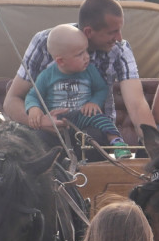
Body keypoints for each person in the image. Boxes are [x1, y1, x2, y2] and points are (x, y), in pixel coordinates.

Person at [3, 0, 156, 144]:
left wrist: (155, 147)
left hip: (95, 133)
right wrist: (40, 121)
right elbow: (11, 100)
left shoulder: (120, 49)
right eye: (112, 32)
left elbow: (136, 104)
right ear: (89, 32)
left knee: (95, 136)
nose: (120, 38)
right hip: (46, 133)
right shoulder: (44, 42)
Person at [25, 24, 131, 158]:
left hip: (83, 115)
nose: (87, 57)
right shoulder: (46, 76)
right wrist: (34, 108)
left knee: (101, 119)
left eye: (86, 51)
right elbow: (33, 95)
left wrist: (94, 102)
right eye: (80, 54)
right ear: (61, 61)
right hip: (56, 119)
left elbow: (101, 89)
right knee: (36, 135)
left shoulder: (90, 71)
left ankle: (117, 143)